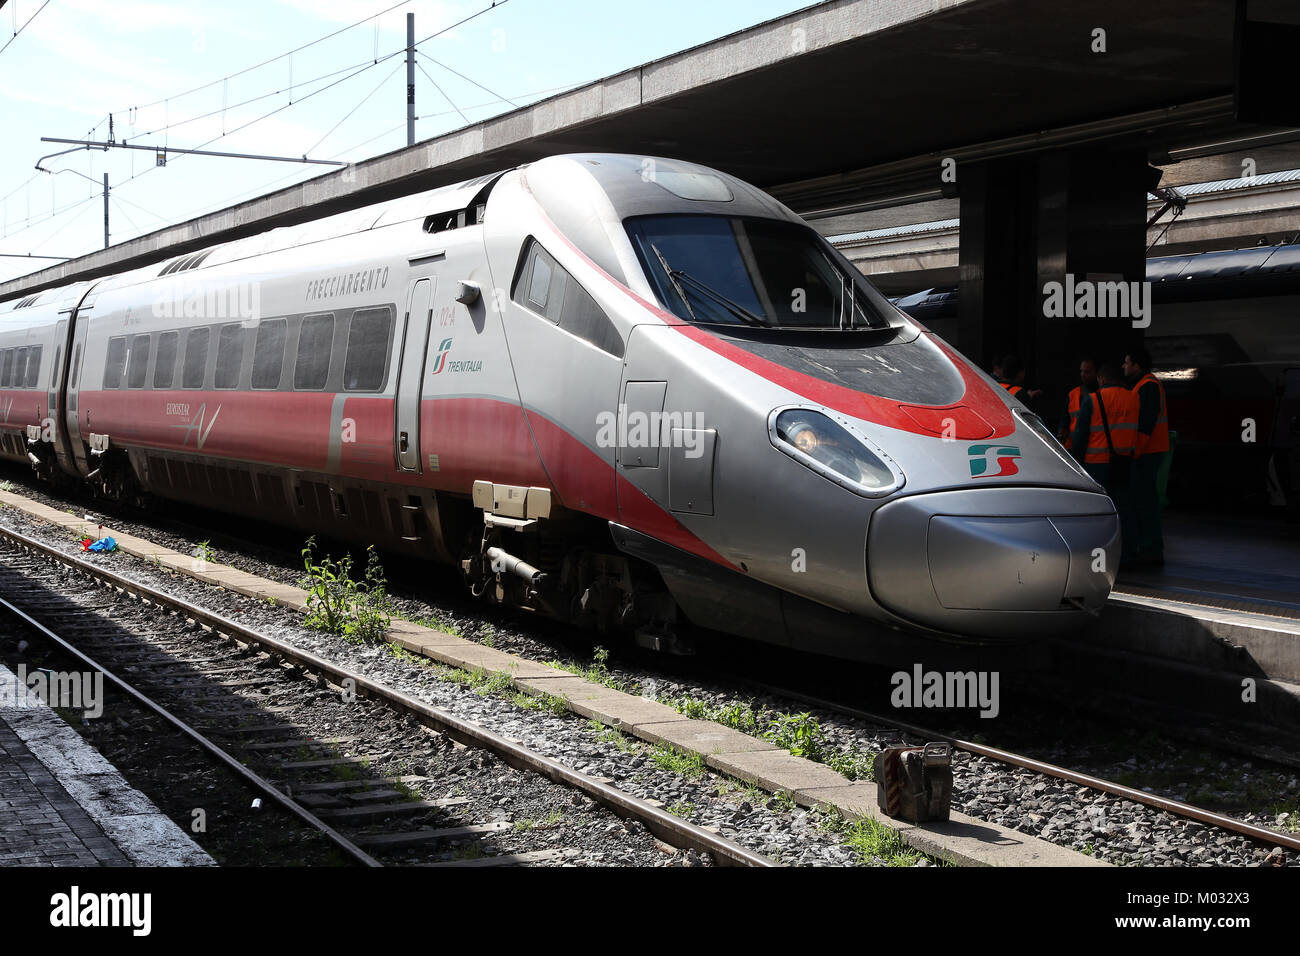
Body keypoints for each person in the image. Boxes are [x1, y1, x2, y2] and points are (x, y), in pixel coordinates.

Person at [1071, 363, 1139, 565]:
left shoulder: (1093, 400)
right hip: (1125, 462)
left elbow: (1080, 437)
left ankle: (1096, 559)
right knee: (1126, 509)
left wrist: (1077, 464)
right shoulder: (1134, 398)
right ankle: (1127, 555)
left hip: (1096, 463)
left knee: (1097, 514)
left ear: (1101, 379)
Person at [1123, 347, 1170, 567]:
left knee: (1145, 502)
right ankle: (1149, 547)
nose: (1124, 366)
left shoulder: (1148, 386)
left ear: (1136, 365)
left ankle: (1150, 548)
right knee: (1145, 500)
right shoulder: (1144, 384)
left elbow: (1146, 425)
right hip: (1150, 451)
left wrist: (1134, 452)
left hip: (1147, 452)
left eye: (1127, 362)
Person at [1058, 357, 1099, 443]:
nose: (1083, 374)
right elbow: (1064, 423)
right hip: (1073, 446)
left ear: (1096, 373)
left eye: (1087, 372)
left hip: (1096, 445)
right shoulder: (1072, 394)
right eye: (1081, 371)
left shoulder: (1103, 395)